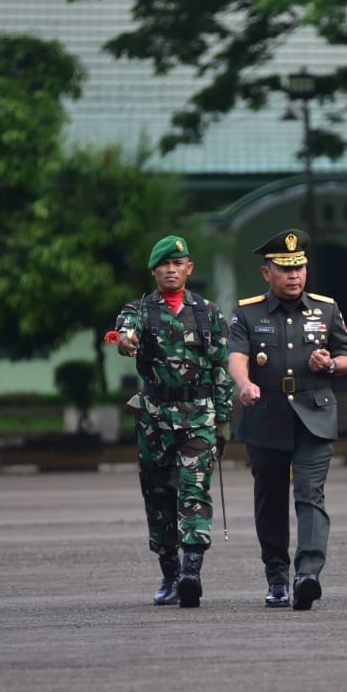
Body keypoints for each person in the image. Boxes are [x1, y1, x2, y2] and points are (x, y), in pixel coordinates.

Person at [228, 228, 347, 610]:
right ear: (267, 273)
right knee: (269, 499)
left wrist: (330, 363)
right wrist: (244, 383)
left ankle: (308, 574)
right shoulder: (248, 312)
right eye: (285, 269)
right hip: (266, 415)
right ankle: (277, 578)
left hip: (314, 414)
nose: (295, 275)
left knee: (310, 495)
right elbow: (236, 356)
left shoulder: (326, 309)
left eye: (300, 266)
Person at [114, 235, 233, 609]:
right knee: (159, 496)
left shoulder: (208, 313)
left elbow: (221, 368)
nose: (170, 270)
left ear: (188, 269)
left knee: (194, 491)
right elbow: (126, 333)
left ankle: (191, 573)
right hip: (154, 420)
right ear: (154, 271)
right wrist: (126, 341)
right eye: (163, 265)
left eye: (177, 264)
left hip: (198, 415)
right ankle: (169, 572)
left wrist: (224, 419)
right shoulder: (138, 310)